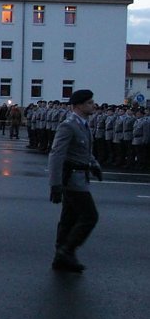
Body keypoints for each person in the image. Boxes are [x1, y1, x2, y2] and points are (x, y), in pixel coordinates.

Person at [48, 89, 103, 273]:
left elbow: (84, 150)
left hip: (80, 176)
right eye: (89, 103)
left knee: (69, 219)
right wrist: (55, 184)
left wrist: (94, 164)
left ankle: (60, 257)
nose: (92, 105)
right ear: (78, 105)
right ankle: (67, 251)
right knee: (90, 216)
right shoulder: (69, 125)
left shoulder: (83, 124)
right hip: (72, 180)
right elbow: (56, 154)